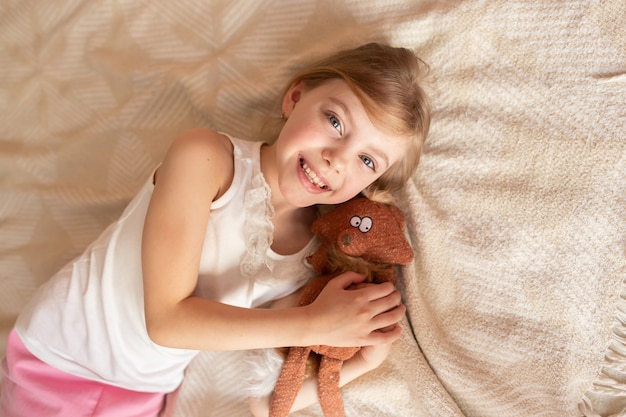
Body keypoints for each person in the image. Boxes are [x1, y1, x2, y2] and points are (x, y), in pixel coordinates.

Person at [0, 42, 430, 417]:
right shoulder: (208, 158)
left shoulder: (312, 259)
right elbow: (166, 321)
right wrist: (315, 323)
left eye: (367, 160)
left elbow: (264, 405)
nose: (337, 157)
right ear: (294, 97)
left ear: (370, 188)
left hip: (146, 389)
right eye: (335, 121)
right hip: (64, 357)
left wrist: (364, 362)